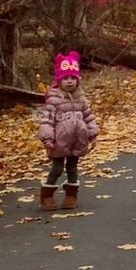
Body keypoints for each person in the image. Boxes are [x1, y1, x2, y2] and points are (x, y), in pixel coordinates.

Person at [38, 51, 99, 210]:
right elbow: (47, 120)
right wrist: (47, 139)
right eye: (66, 78)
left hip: (77, 141)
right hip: (58, 142)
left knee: (72, 168)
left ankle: (71, 196)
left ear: (78, 80)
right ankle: (47, 196)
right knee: (57, 168)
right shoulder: (53, 99)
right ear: (59, 80)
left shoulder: (81, 98)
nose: (70, 81)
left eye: (73, 78)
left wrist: (92, 135)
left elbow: (89, 118)